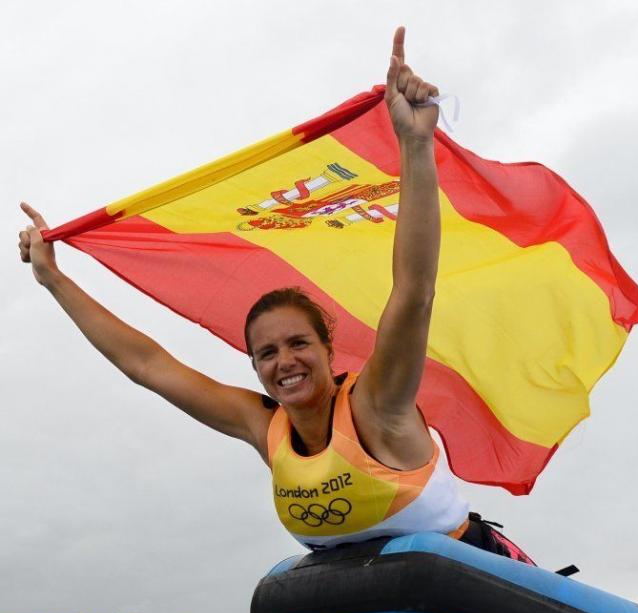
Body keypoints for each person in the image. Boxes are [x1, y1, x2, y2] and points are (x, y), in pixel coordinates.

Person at [18, 28, 527, 560]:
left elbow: (413, 293)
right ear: (256, 367)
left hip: (477, 579)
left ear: (328, 351)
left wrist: (415, 144)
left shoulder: (378, 405)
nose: (285, 361)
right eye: (267, 352)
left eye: (298, 343)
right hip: (371, 599)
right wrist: (54, 280)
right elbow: (147, 364)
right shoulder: (264, 427)